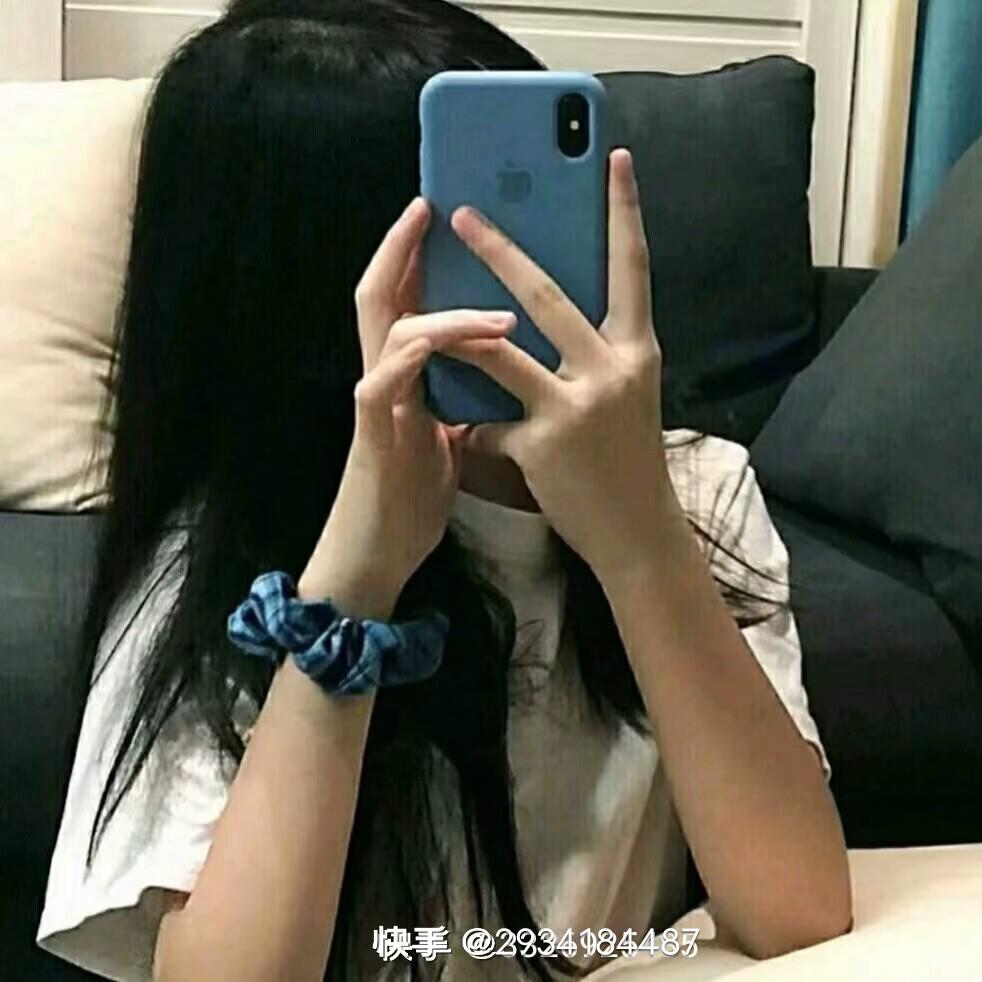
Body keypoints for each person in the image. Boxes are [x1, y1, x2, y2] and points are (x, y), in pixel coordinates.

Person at [36, 2, 851, 980]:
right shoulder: (216, 569)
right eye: (465, 226)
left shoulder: (695, 491)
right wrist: (353, 587)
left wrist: (638, 538)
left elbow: (798, 910)